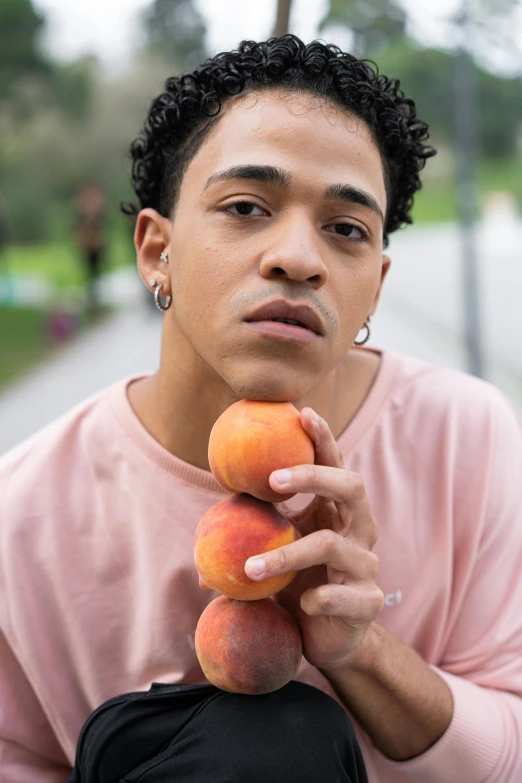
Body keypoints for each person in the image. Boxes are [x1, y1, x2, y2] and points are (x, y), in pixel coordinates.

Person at [0, 35, 521, 783]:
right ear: (156, 252)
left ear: (373, 287)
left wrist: (361, 651)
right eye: (246, 206)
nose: (298, 257)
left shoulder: (463, 435)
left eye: (346, 228)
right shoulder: (20, 516)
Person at [73, 181, 107, 309]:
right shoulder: (82, 210)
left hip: (96, 244)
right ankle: (92, 298)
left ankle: (97, 297)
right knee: (90, 271)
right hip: (88, 244)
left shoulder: (96, 209)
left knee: (96, 271)